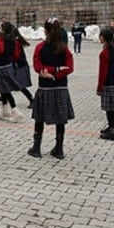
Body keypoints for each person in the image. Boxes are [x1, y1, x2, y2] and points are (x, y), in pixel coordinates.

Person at [29, 18, 74, 159]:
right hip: (60, 87)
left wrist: (49, 73)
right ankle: (59, 149)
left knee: (39, 118)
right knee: (60, 119)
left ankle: (36, 147)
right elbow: (69, 68)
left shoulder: (40, 47)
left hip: (45, 87)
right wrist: (57, 71)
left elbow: (38, 66)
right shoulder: (65, 48)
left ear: (46, 31)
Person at [0, 22, 25, 123]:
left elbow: (0, 50)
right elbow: (16, 54)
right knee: (2, 88)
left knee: (5, 89)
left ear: (3, 29)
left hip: (2, 66)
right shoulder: (12, 39)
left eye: (0, 27)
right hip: (8, 65)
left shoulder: (0, 38)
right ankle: (5, 110)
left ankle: (16, 111)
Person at [97, 28, 114, 141]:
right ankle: (112, 126)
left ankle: (113, 130)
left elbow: (103, 71)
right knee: (112, 107)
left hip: (108, 83)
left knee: (109, 108)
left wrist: (100, 87)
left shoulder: (104, 53)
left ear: (103, 38)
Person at [12, 26, 35, 108]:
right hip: (18, 65)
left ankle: (31, 99)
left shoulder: (15, 42)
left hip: (20, 66)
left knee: (20, 85)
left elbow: (16, 55)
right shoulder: (16, 41)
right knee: (9, 82)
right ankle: (4, 95)